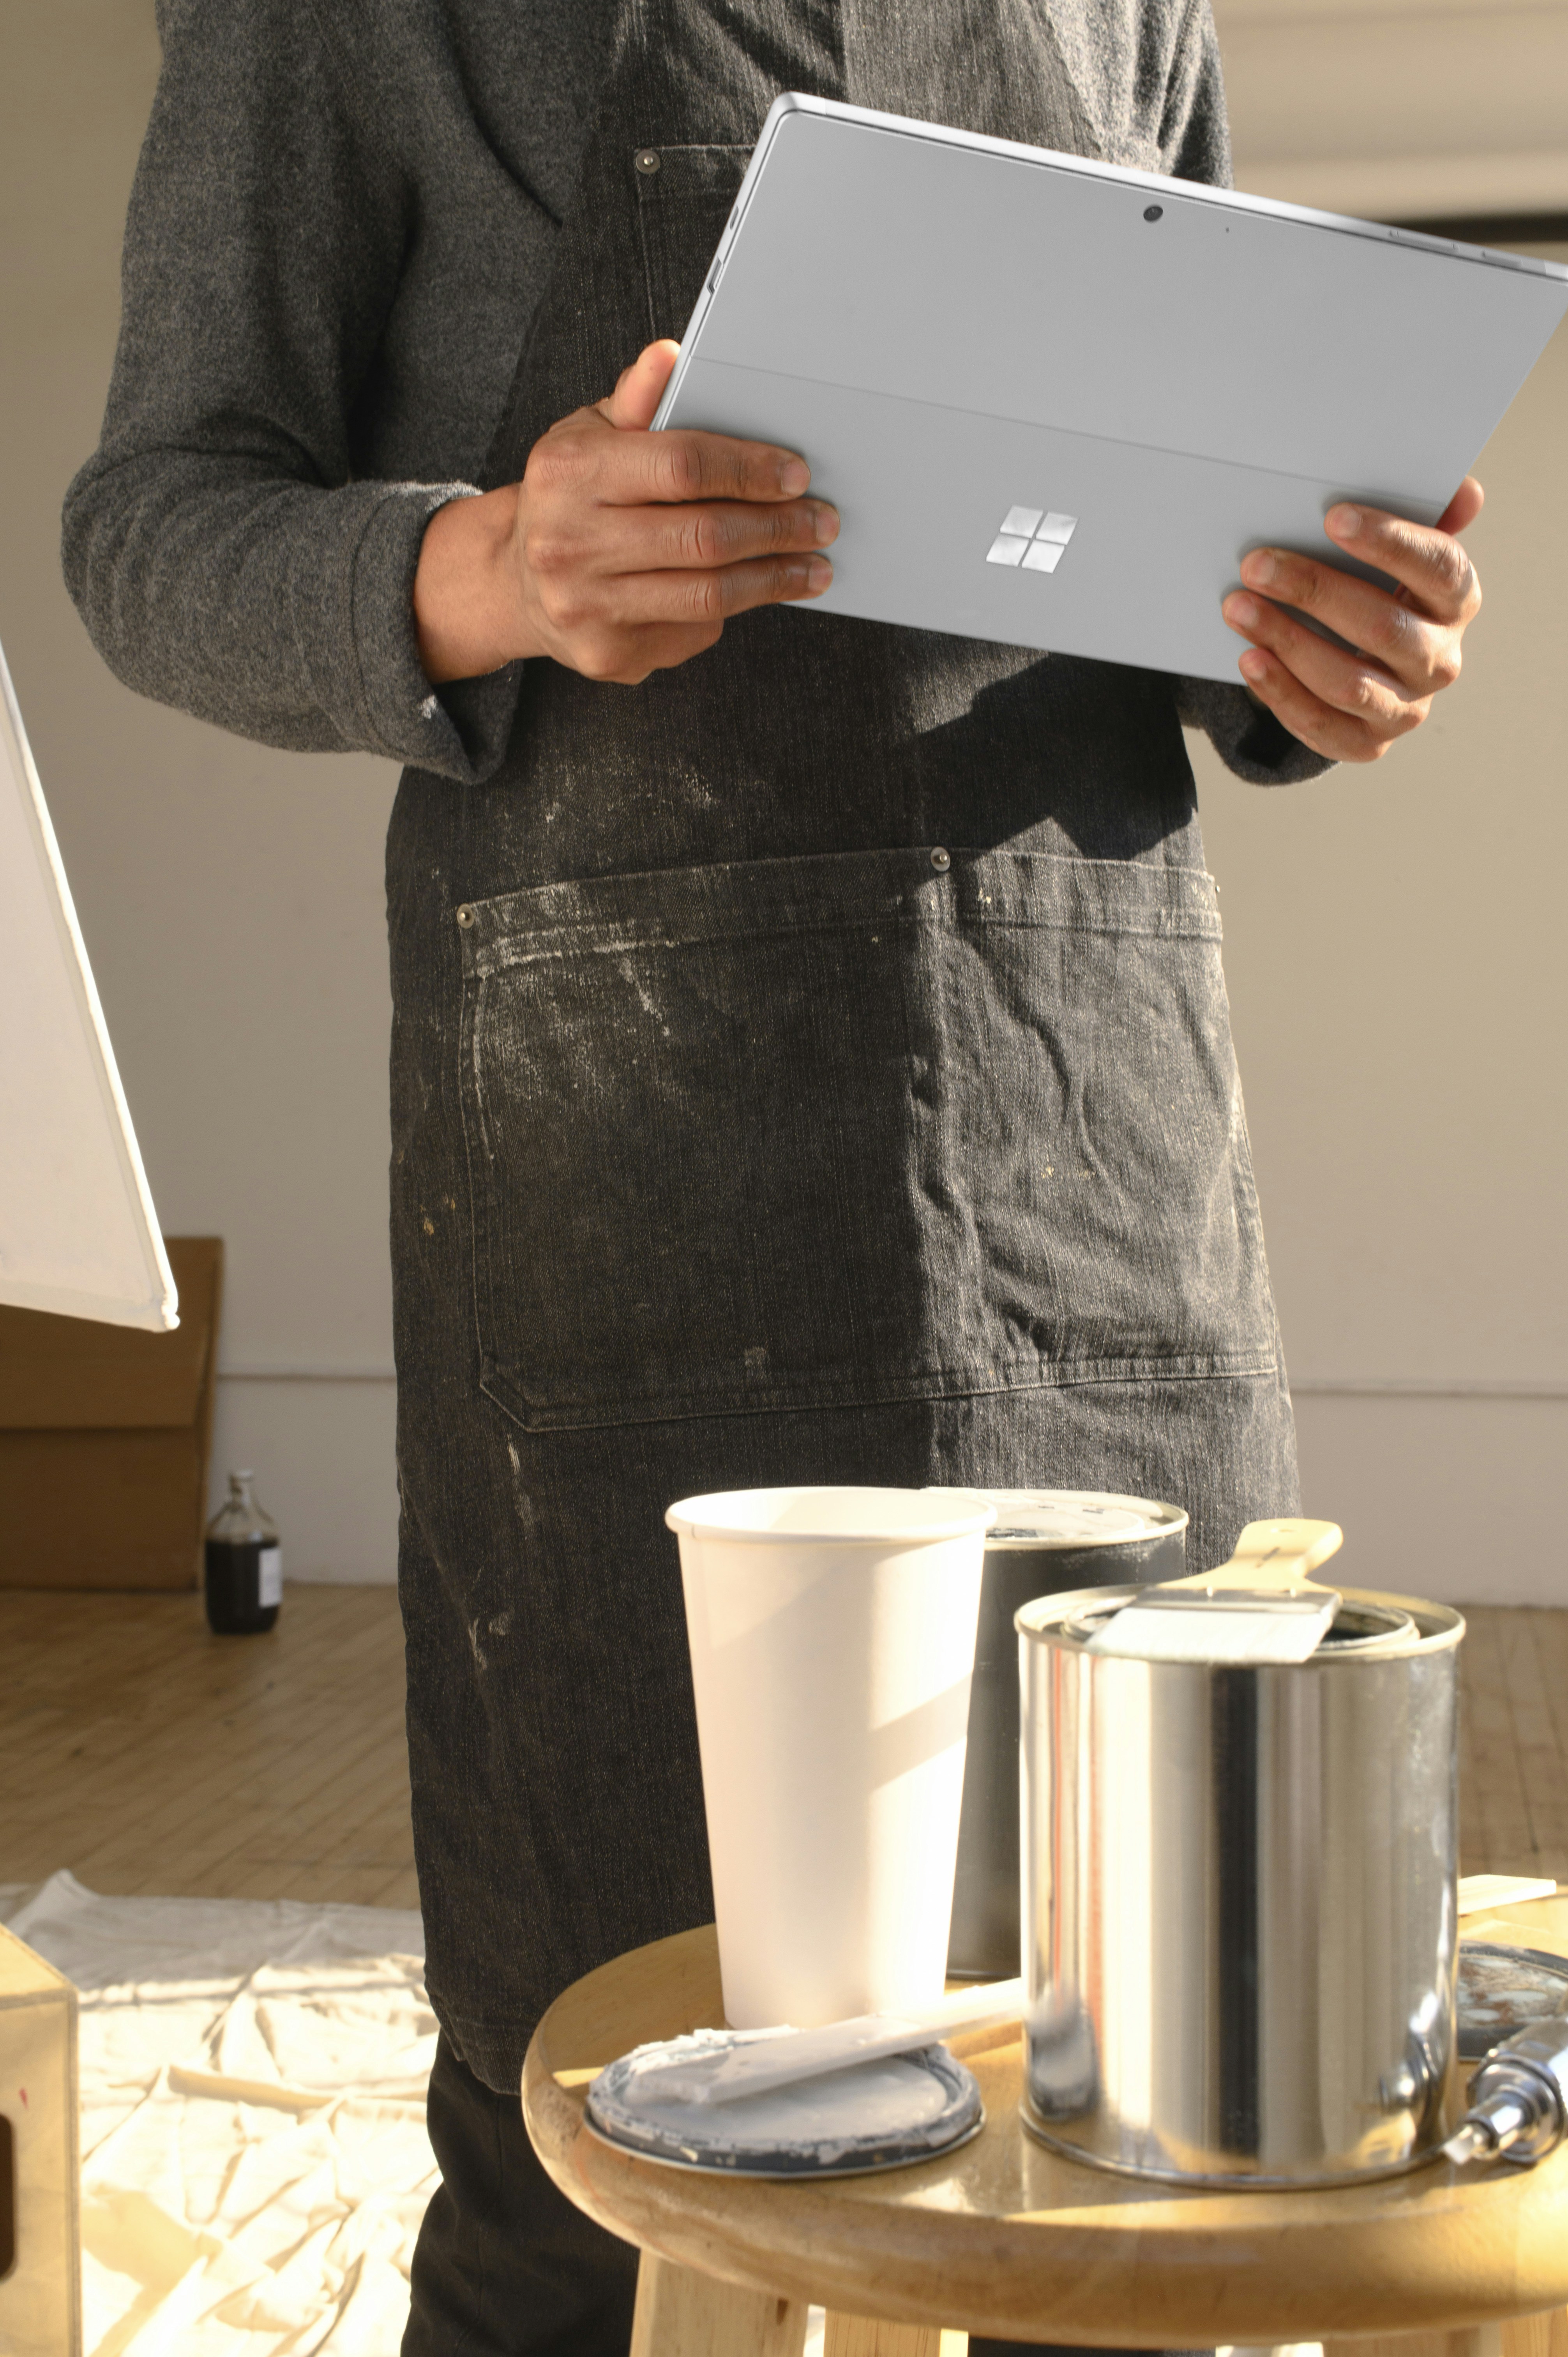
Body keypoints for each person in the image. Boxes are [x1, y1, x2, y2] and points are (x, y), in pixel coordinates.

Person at [62, 2, 1483, 2349]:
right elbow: (154, 523)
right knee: (605, 2117)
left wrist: (1317, 657)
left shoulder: (1130, 10)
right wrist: (491, 566)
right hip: (625, 1150)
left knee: (1167, 2123)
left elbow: (1206, 538)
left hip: (1092, 1118)